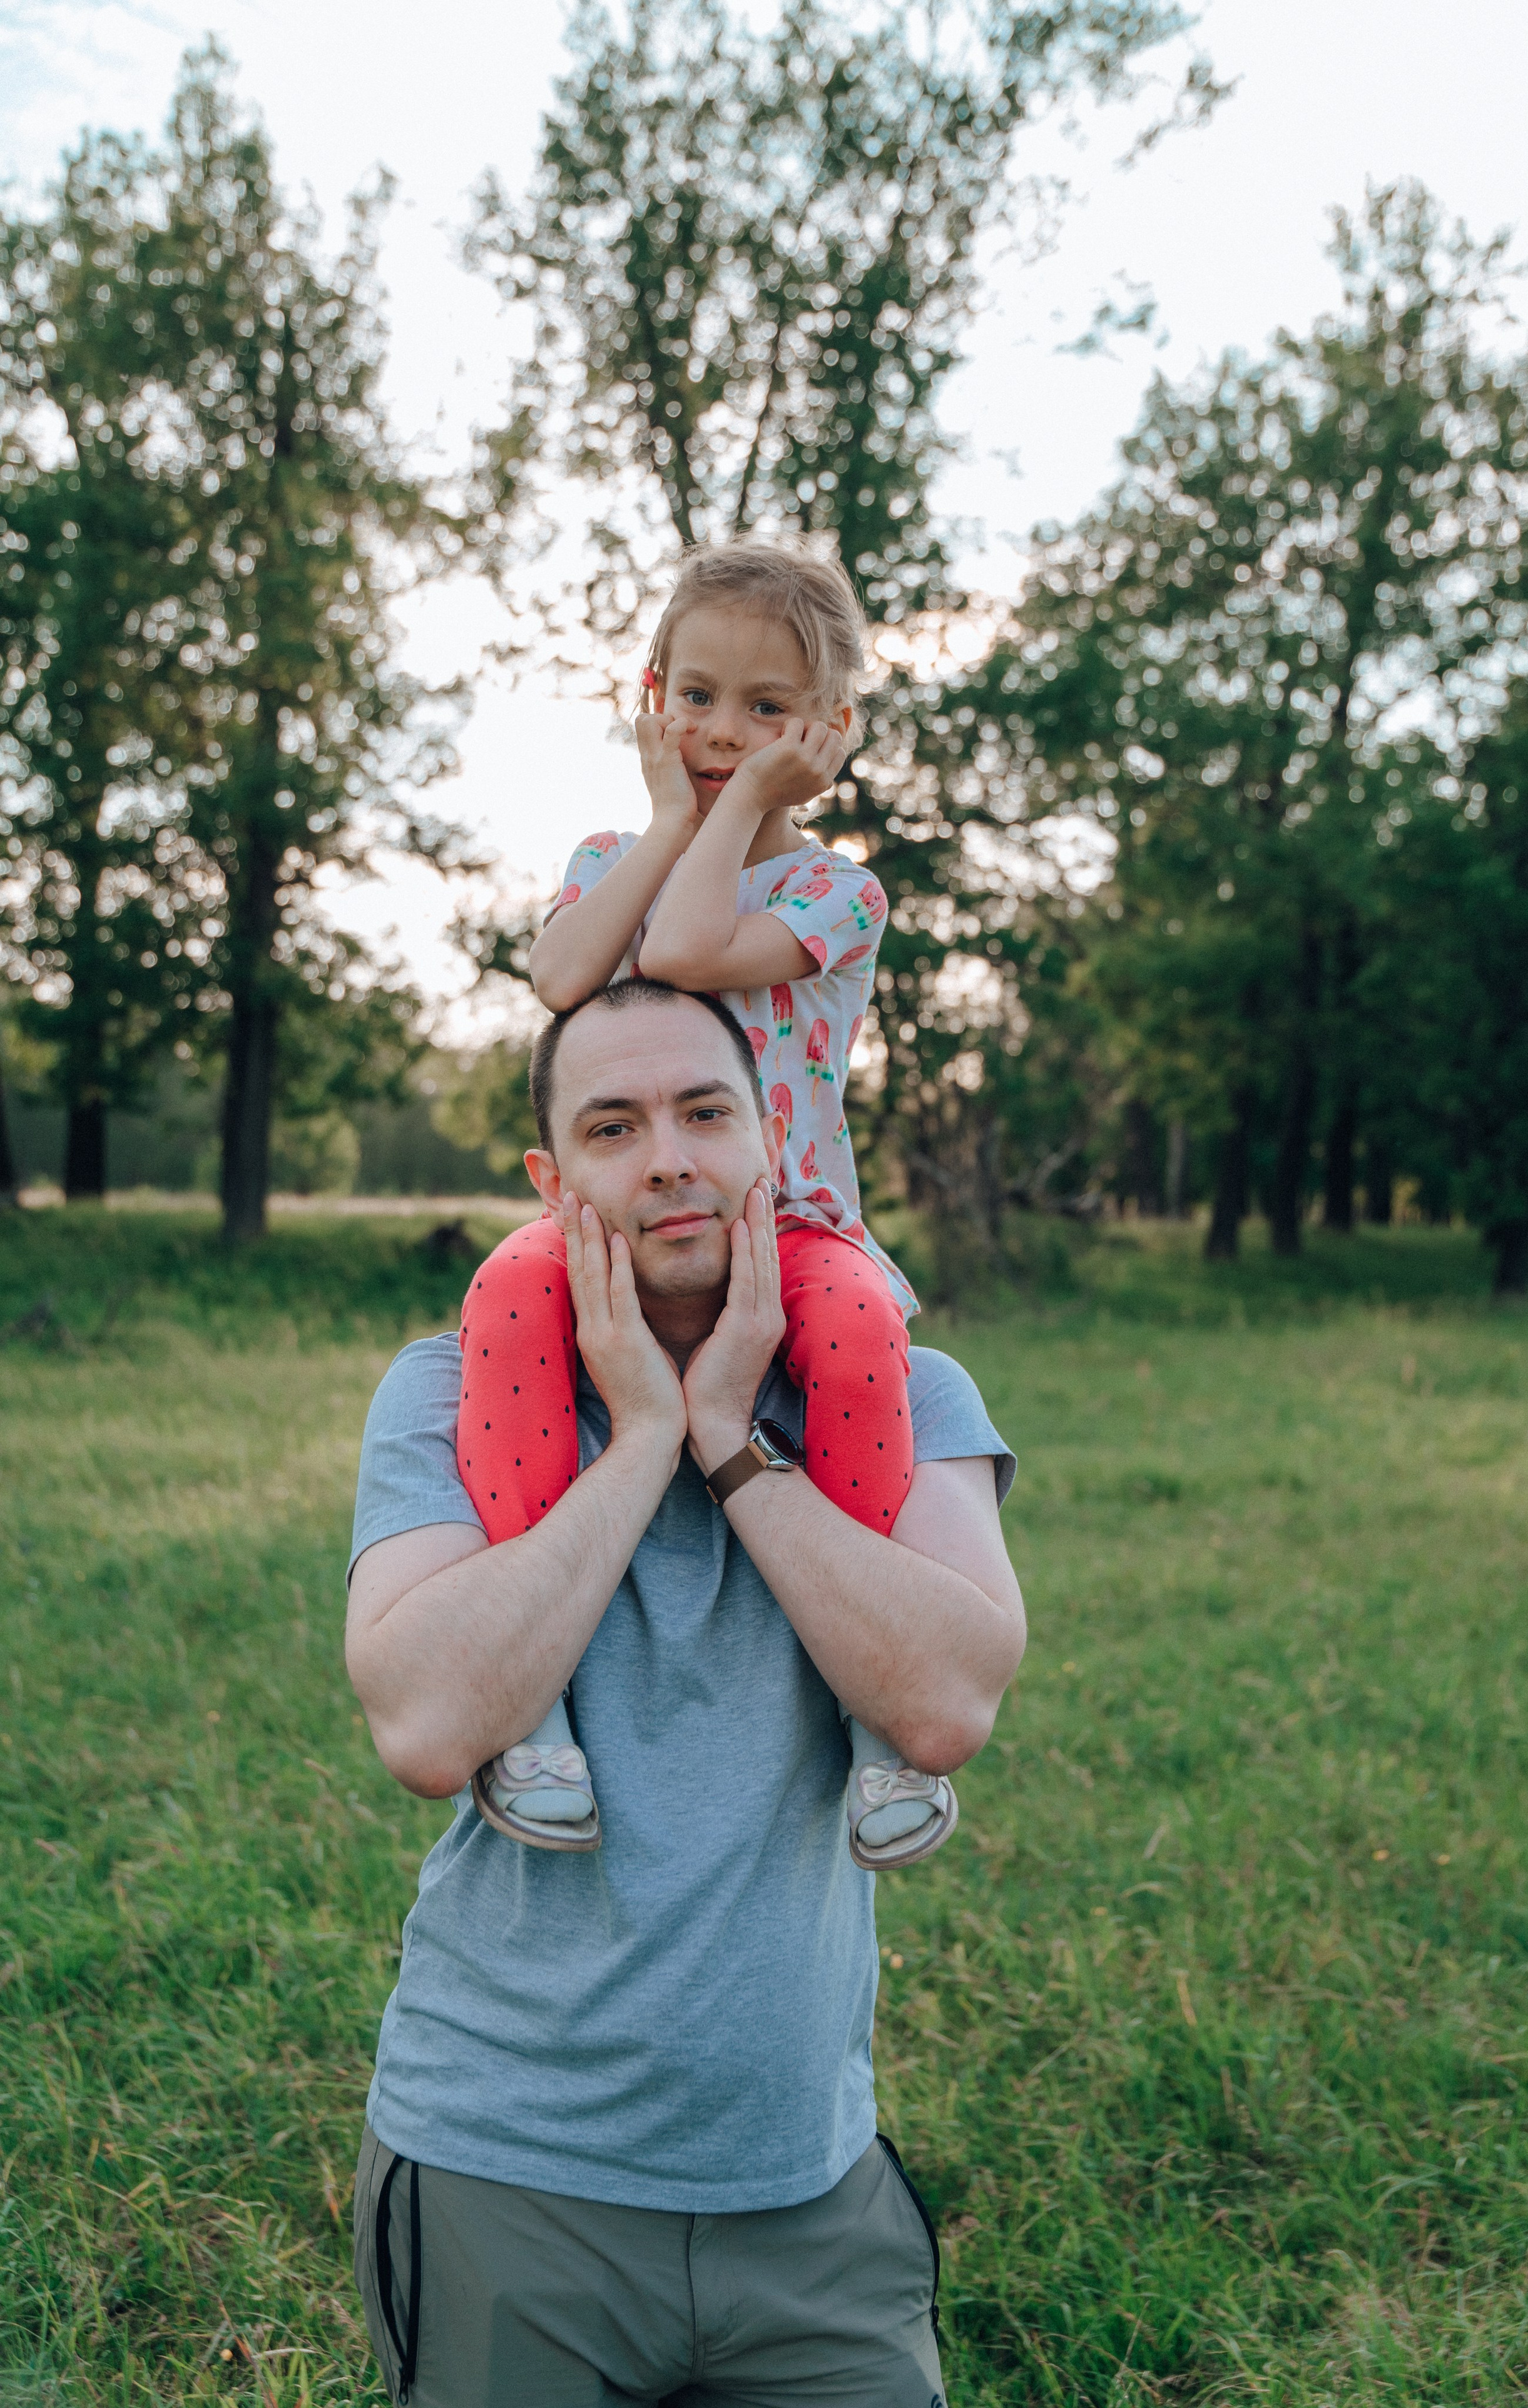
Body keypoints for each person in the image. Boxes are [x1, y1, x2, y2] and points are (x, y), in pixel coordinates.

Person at [345, 976, 1025, 2405]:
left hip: (808, 2191)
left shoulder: (914, 1387)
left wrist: (727, 1435)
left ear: (767, 1139)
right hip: (504, 2175)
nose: (668, 1158)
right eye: (613, 1125)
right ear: (552, 1181)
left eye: (704, 1112)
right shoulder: (437, 1393)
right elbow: (424, 1721)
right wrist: (639, 1435)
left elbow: (946, 1703)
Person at [457, 543, 949, 1869]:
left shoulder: (833, 889)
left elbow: (680, 953)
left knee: (852, 1325)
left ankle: (874, 1720)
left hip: (783, 1225)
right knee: (506, 1291)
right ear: (650, 694)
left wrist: (717, 816)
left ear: (828, 731)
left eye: (767, 710)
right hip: (613, 1221)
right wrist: (674, 816)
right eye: (697, 695)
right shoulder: (608, 854)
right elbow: (566, 969)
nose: (723, 732)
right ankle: (530, 1708)